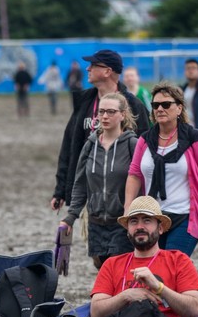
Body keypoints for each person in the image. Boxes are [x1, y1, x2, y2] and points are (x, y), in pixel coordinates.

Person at [124, 82, 198, 256]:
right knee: (154, 268)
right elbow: (134, 175)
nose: (160, 109)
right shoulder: (145, 140)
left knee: (171, 264)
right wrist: (128, 209)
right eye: (155, 105)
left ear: (179, 108)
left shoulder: (195, 139)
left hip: (185, 218)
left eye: (166, 104)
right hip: (153, 217)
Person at [51, 50, 150, 211]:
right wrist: (61, 190)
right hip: (90, 194)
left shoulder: (133, 105)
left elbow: (147, 151)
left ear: (107, 71)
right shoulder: (84, 103)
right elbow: (69, 146)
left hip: (123, 195)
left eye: (93, 65)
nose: (87, 69)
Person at [60, 92, 138, 269]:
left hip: (122, 222)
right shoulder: (90, 144)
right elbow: (80, 183)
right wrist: (71, 216)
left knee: (117, 268)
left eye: (111, 111)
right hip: (95, 223)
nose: (104, 116)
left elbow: (144, 182)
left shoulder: (132, 144)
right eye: (101, 111)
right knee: (101, 267)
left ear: (122, 114)